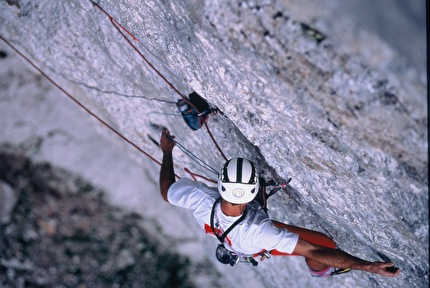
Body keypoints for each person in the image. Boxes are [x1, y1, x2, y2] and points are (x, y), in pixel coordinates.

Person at [159, 129, 401, 277]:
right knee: (325, 244)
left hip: (237, 238)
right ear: (252, 191)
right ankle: (321, 273)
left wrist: (167, 152)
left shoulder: (198, 198)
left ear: (221, 184)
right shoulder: (261, 231)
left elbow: (167, 190)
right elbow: (315, 250)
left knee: (319, 246)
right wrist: (367, 266)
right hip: (252, 241)